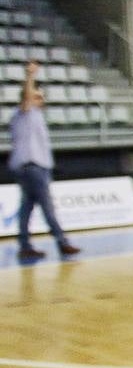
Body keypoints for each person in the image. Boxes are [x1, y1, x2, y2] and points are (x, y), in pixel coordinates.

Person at [8, 61, 79, 261]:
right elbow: (26, 97)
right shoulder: (24, 113)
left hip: (32, 167)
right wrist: (30, 75)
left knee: (27, 208)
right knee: (47, 207)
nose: (41, 100)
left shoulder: (34, 116)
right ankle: (62, 242)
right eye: (37, 96)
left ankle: (25, 245)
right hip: (32, 167)